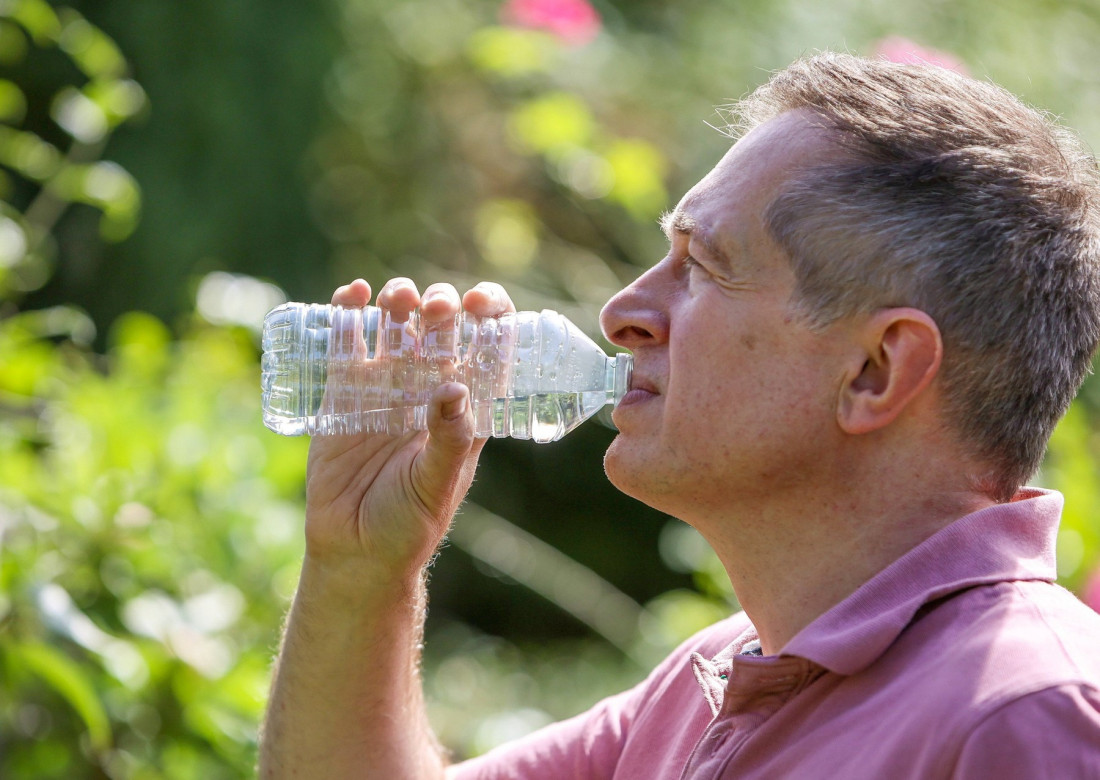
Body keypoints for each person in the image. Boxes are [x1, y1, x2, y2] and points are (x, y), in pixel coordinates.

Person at [258, 52, 1100, 778]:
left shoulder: (1026, 715)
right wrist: (361, 572)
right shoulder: (716, 679)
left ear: (876, 371)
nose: (623, 309)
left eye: (701, 265)